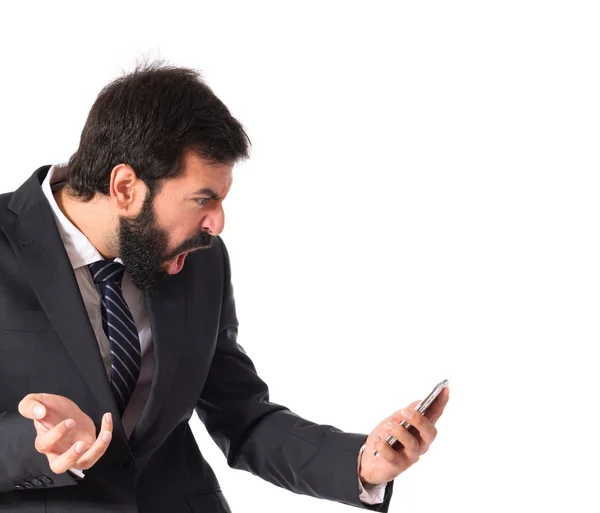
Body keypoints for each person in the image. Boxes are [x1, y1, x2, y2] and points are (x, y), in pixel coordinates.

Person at [0, 63, 449, 512]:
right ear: (125, 188)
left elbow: (240, 415)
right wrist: (32, 442)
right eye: (202, 199)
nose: (217, 223)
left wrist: (360, 465)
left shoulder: (198, 259)